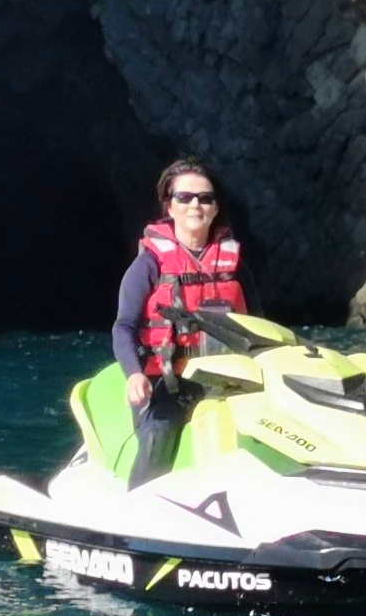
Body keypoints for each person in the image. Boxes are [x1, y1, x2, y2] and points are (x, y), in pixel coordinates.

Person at [110, 156, 258, 488]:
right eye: (185, 197)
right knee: (159, 433)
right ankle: (137, 509)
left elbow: (259, 328)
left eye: (206, 198)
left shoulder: (236, 267)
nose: (196, 205)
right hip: (168, 384)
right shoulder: (148, 265)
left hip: (226, 380)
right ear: (169, 205)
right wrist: (134, 374)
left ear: (216, 207)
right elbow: (123, 327)